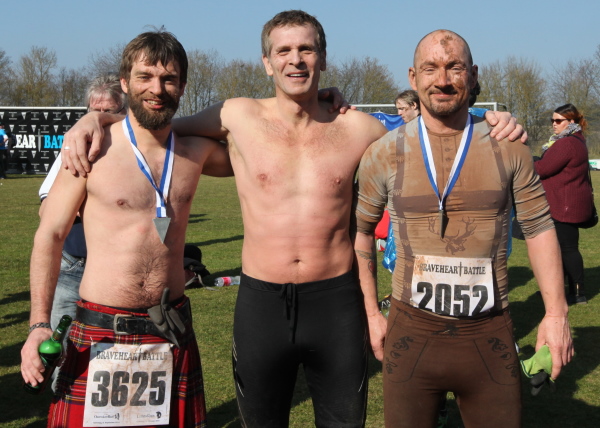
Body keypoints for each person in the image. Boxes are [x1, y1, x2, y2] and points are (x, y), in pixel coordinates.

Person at [61, 11, 525, 427]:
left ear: (323, 58)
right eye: (283, 51)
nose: (295, 59)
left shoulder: (359, 128)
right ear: (267, 62)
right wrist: (96, 122)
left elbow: (434, 127)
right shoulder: (236, 116)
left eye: (306, 49)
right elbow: (153, 124)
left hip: (336, 304)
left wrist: (492, 121)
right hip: (261, 306)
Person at [353, 30, 573, 428]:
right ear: (413, 77)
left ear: (472, 75)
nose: (442, 79)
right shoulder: (383, 152)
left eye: (454, 67)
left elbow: (540, 228)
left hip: (488, 335)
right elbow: (361, 233)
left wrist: (556, 315)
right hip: (410, 335)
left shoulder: (509, 145)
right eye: (430, 68)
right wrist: (371, 313)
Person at [21, 29, 232, 428]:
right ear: (124, 82)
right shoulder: (90, 149)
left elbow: (259, 142)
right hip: (99, 329)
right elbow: (49, 235)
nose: (157, 88)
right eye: (145, 77)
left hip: (169, 328)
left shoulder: (196, 152)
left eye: (169, 79)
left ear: (183, 86)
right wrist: (38, 325)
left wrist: (316, 101)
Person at [39, 74, 127, 334]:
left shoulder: (134, 149)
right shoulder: (76, 145)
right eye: (94, 111)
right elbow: (46, 209)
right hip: (73, 263)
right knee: (59, 343)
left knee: (108, 344)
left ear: (124, 110)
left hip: (116, 267)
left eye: (108, 112)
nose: (98, 118)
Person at [534, 104, 592, 305]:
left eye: (558, 120)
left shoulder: (566, 143)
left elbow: (542, 168)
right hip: (568, 202)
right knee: (565, 249)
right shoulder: (576, 140)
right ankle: (567, 290)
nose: (554, 124)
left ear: (571, 122)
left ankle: (578, 293)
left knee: (567, 249)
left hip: (564, 205)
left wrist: (528, 161)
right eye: (552, 120)